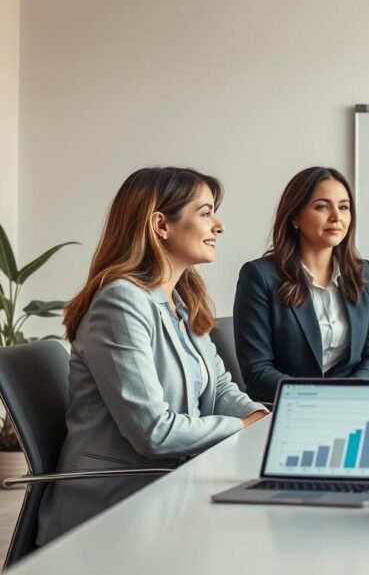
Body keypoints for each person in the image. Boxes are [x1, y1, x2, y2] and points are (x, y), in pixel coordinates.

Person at [38, 167, 268, 545]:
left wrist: (262, 417)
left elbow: (221, 388)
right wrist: (243, 428)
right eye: (206, 212)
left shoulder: (180, 300)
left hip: (168, 488)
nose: (219, 225)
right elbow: (154, 432)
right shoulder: (121, 302)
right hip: (115, 508)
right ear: (161, 225)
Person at [234, 167, 369, 403]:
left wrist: (355, 390)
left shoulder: (362, 272)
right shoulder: (259, 276)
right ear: (295, 217)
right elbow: (257, 371)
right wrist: (320, 397)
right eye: (322, 207)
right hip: (287, 409)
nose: (337, 217)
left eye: (344, 207)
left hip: (349, 405)